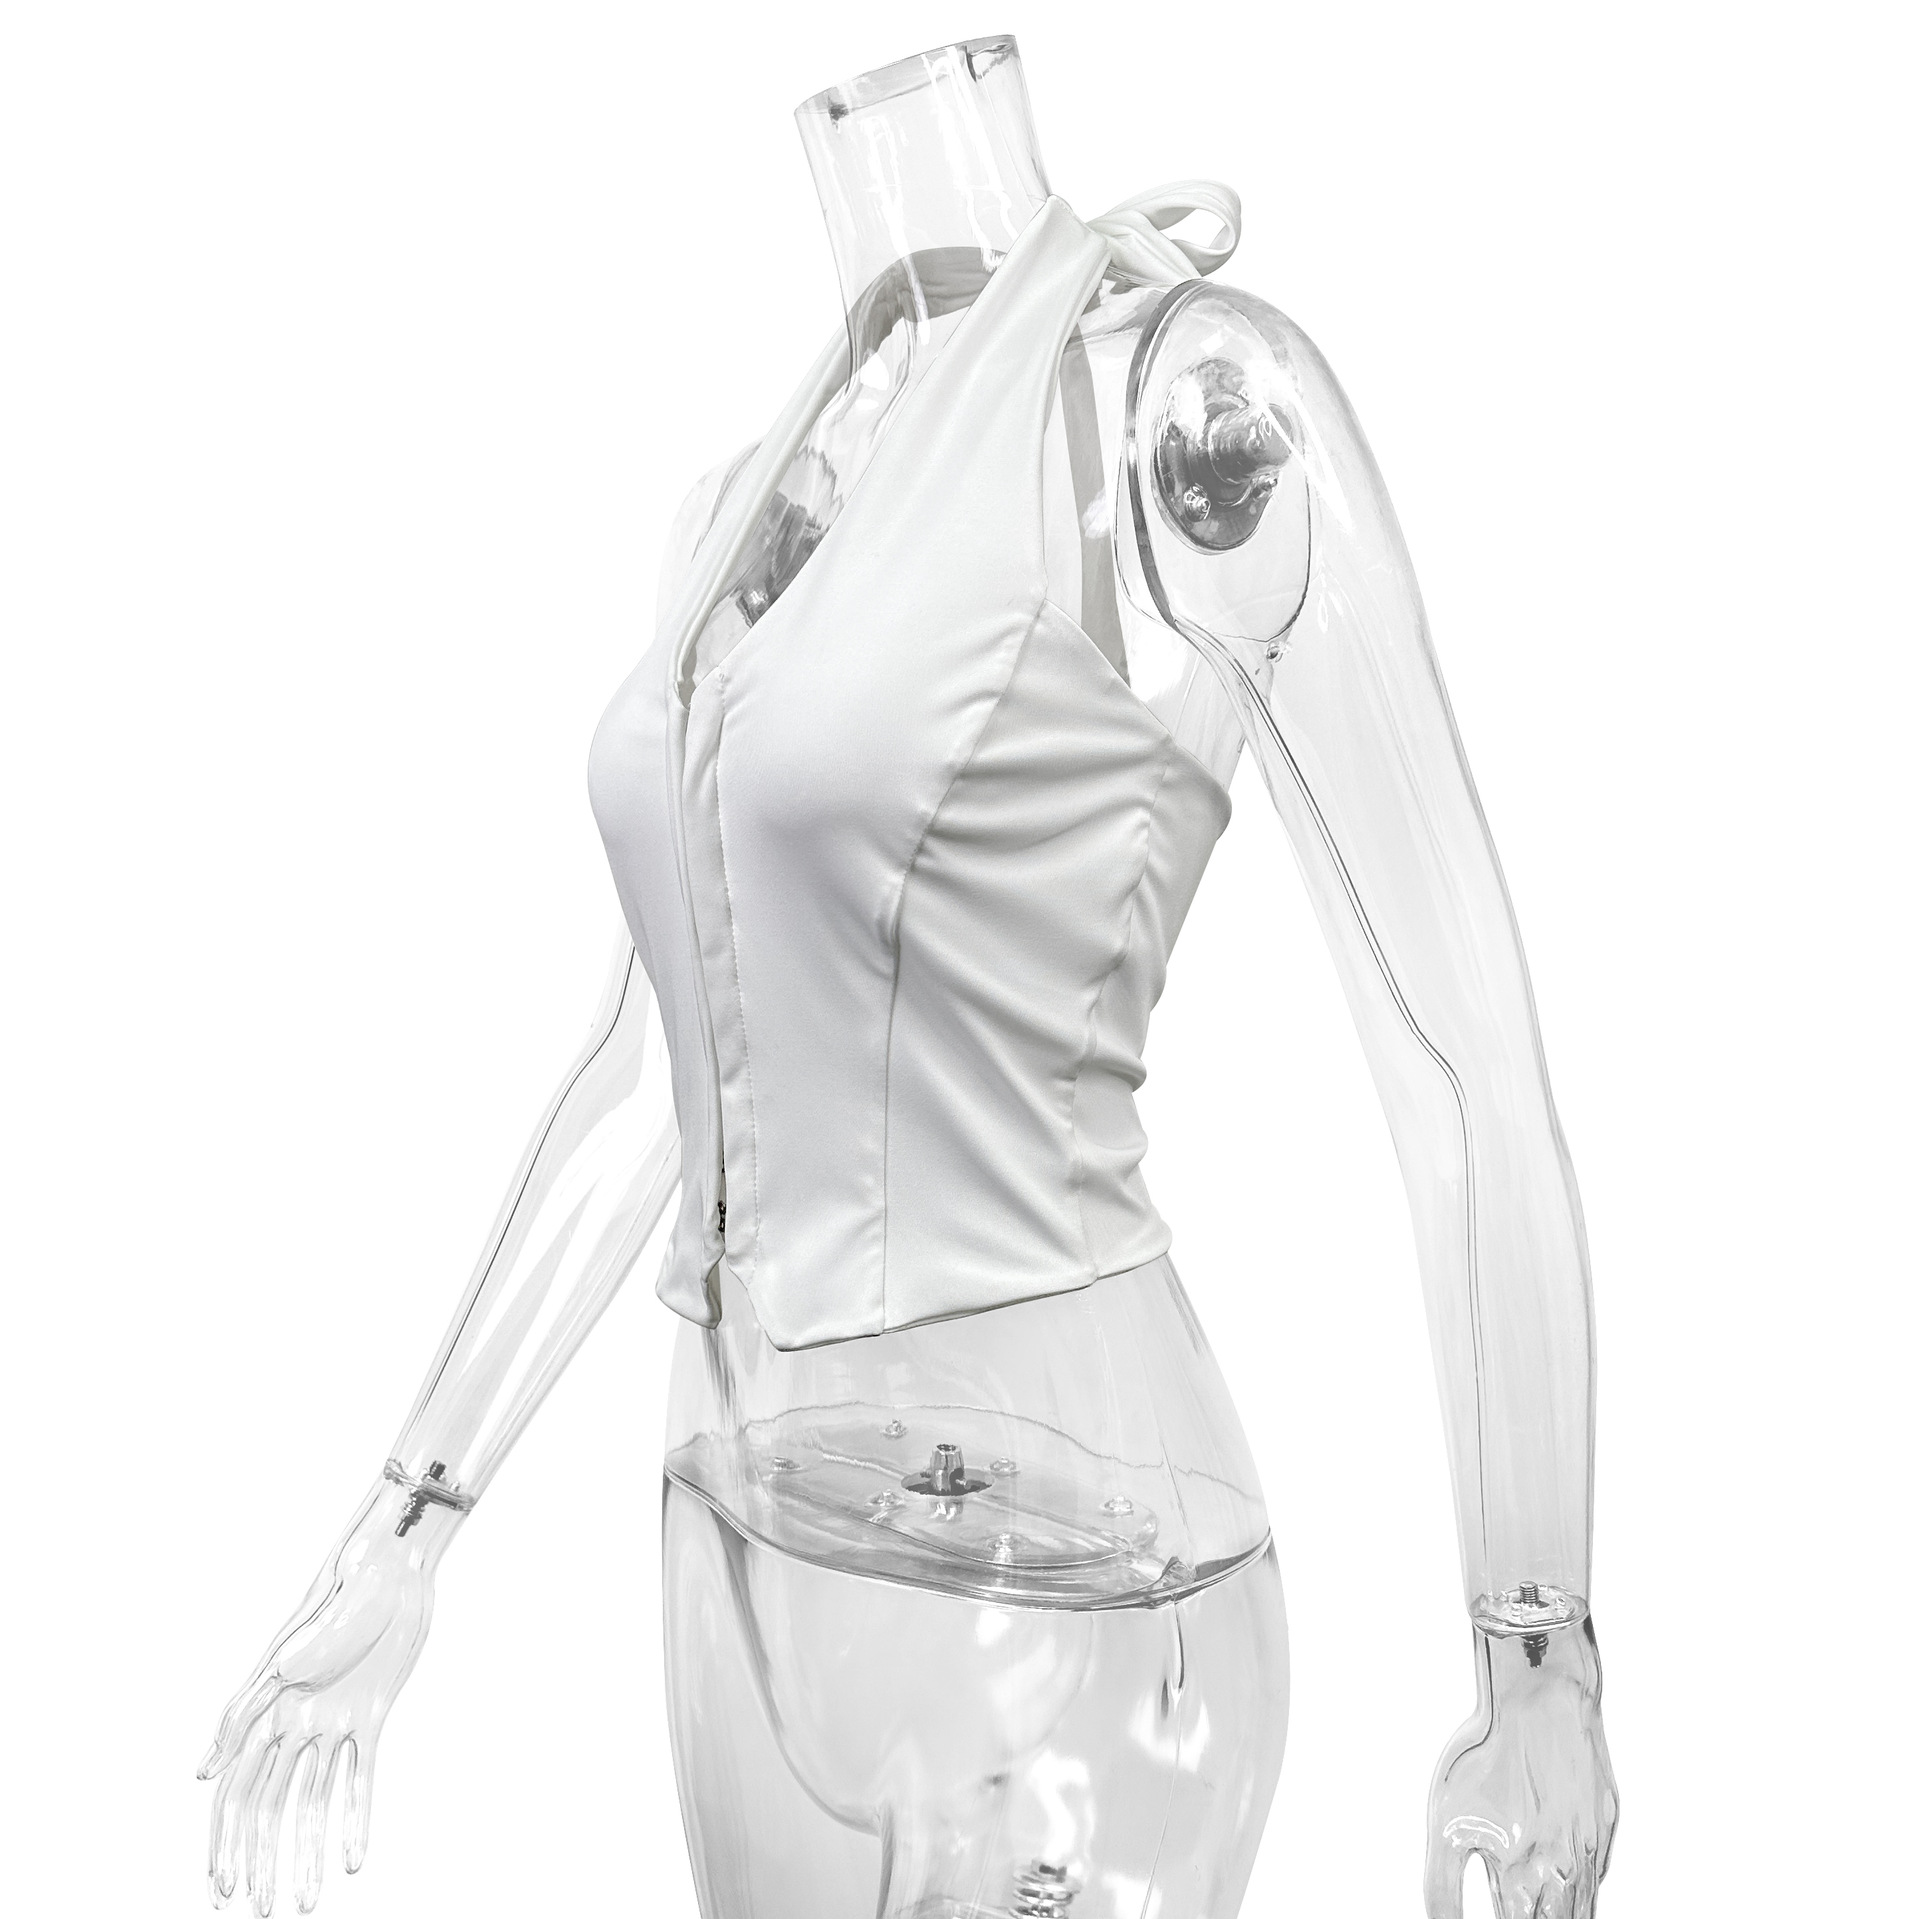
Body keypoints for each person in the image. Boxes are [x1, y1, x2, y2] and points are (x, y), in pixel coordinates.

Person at [201, 35, 1617, 1919]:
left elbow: (1463, 1062)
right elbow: (655, 1066)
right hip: (745, 1527)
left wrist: (1540, 1655)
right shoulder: (746, 506)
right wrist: (406, 1528)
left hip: (1082, 1597)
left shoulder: (1175, 407)